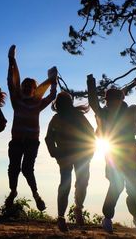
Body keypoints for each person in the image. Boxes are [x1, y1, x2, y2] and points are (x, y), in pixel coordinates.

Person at [87, 74, 136, 234]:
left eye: (116, 100)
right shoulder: (104, 113)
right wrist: (91, 83)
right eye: (110, 101)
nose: (113, 103)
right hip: (113, 151)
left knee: (135, 187)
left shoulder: (131, 111)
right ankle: (108, 218)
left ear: (121, 100)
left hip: (131, 151)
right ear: (107, 101)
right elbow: (93, 104)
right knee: (116, 185)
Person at [5, 45, 57, 211]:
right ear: (21, 88)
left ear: (35, 90)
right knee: (14, 168)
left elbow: (52, 96)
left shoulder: (37, 104)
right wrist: (11, 62)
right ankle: (13, 192)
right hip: (17, 141)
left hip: (31, 143)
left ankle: (36, 195)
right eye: (24, 86)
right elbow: (10, 83)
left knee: (27, 169)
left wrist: (53, 82)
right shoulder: (16, 101)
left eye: (30, 86)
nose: (26, 87)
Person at [45, 91, 95, 232]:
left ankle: (77, 208)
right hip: (65, 157)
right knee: (66, 185)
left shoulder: (78, 117)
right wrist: (54, 153)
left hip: (81, 156)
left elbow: (91, 134)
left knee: (82, 183)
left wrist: (90, 153)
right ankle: (61, 218)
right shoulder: (56, 119)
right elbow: (49, 138)